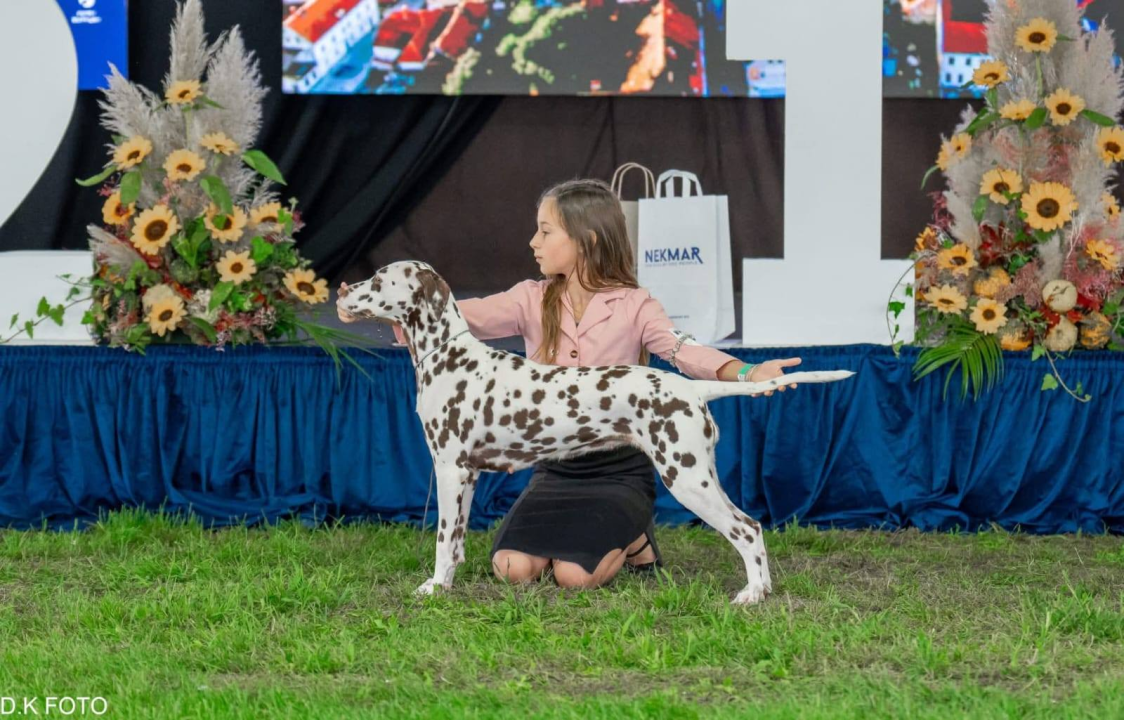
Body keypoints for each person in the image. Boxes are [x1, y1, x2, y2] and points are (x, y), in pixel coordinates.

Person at [342, 179, 801, 591]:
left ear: (586, 239)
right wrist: (366, 304)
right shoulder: (530, 298)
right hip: (556, 474)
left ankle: (660, 541)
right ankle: (477, 560)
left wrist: (746, 373)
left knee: (573, 577)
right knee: (511, 569)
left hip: (619, 471)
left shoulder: (635, 305)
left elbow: (682, 350)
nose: (533, 242)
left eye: (545, 231)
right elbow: (452, 316)